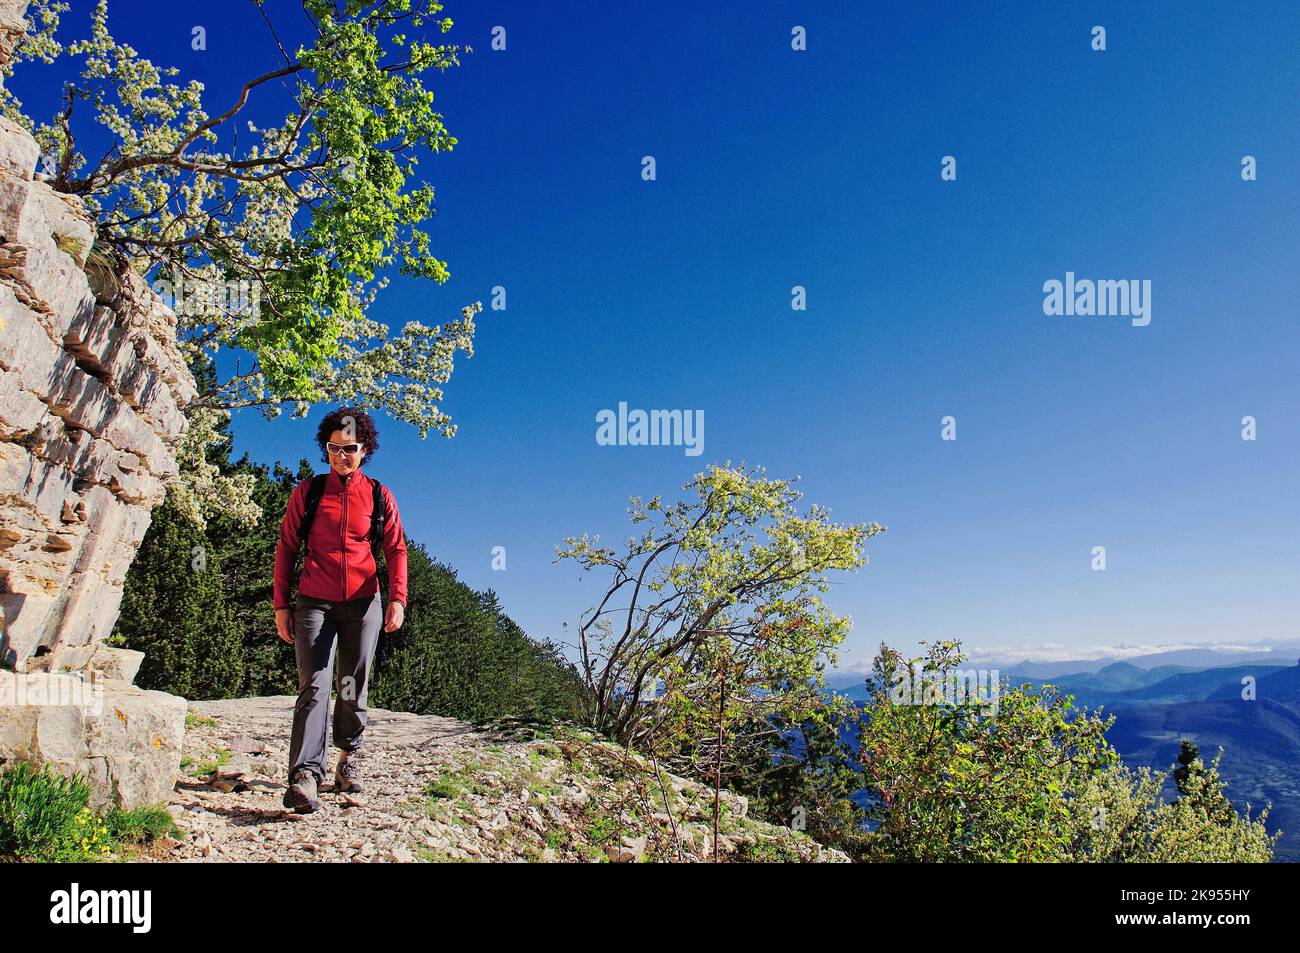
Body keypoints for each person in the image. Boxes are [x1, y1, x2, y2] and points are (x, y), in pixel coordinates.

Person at [272, 407, 408, 813]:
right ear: (325, 449)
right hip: (314, 601)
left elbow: (396, 549)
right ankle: (305, 776)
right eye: (333, 448)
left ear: (364, 449)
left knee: (352, 682)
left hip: (364, 603)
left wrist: (397, 598)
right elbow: (287, 549)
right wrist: (282, 605)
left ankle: (348, 758)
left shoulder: (380, 495)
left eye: (349, 448)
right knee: (313, 685)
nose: (341, 456)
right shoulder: (309, 493)